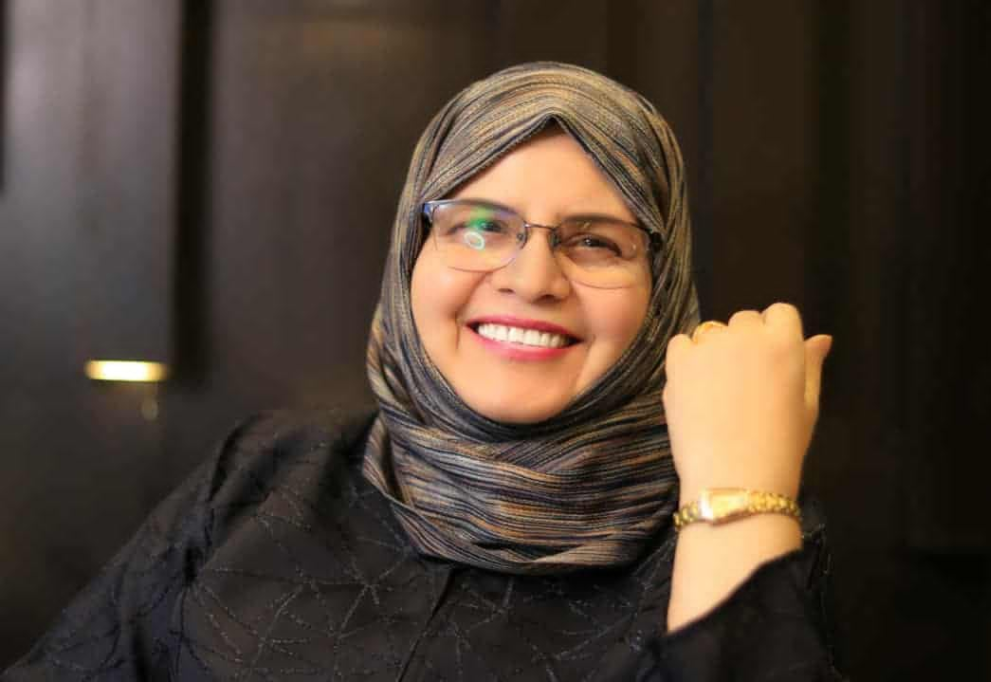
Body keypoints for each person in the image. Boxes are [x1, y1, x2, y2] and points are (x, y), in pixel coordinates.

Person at [4, 62, 841, 680]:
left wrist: (734, 500)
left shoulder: (735, 529)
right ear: (412, 252)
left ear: (663, 291)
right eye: (479, 226)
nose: (531, 278)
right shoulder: (264, 472)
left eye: (596, 240)